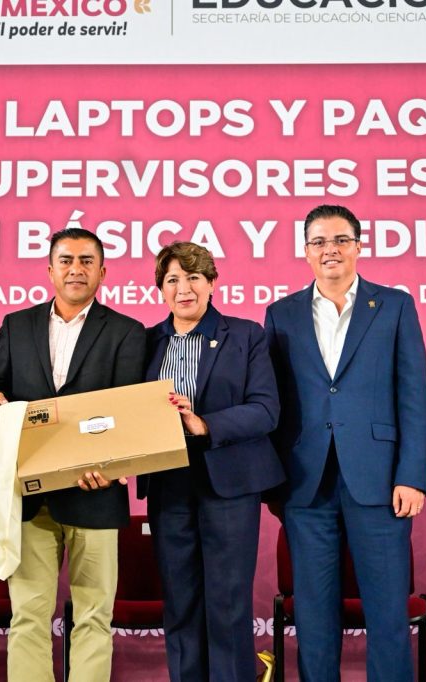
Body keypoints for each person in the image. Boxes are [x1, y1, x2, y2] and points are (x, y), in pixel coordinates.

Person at [264, 204, 426, 681]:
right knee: (314, 618)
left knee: (388, 615)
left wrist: (412, 476)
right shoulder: (281, 314)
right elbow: (275, 404)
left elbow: (414, 396)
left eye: (340, 240)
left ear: (359, 246)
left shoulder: (394, 305)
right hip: (305, 484)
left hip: (381, 484)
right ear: (306, 252)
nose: (330, 250)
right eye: (319, 242)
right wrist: (274, 484)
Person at [0, 227, 146, 682]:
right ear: (50, 270)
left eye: (87, 261)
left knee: (94, 615)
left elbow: (127, 412)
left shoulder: (127, 332)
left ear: (103, 272)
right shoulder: (17, 325)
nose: (76, 269)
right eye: (66, 260)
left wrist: (111, 468)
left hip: (97, 492)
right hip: (31, 496)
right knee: (28, 615)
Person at [138, 241, 283, 681]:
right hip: (167, 484)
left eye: (194, 278)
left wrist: (203, 423)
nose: (183, 289)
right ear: (160, 289)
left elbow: (265, 409)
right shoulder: (144, 342)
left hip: (230, 484)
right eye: (172, 280)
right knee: (180, 602)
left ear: (212, 283)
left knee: (228, 602)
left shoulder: (246, 335)